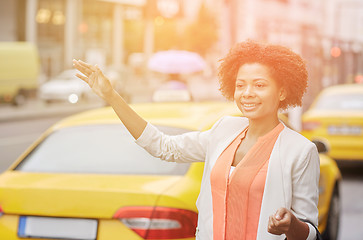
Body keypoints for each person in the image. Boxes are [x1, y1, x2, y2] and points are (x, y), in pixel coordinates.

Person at [73, 40, 319, 240]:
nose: (247, 93)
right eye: (240, 85)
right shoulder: (225, 129)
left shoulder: (300, 151)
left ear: (283, 91)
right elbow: (163, 147)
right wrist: (112, 96)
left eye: (259, 85)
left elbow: (310, 232)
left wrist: (290, 225)